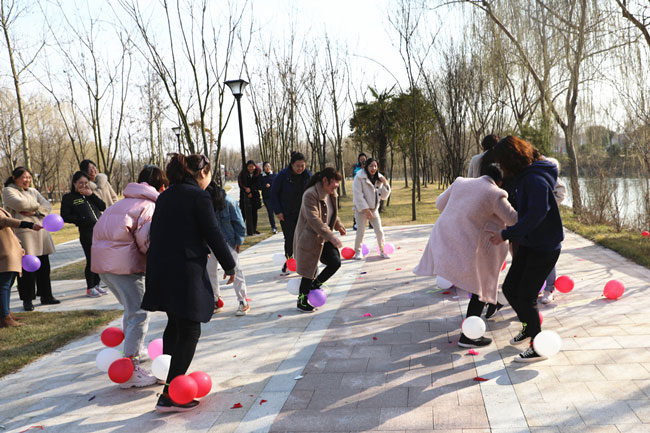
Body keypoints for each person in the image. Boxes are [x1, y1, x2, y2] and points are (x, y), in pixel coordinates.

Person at [141, 153, 236, 413]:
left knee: (175, 323)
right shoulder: (198, 196)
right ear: (202, 173)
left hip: (161, 266)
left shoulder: (166, 195)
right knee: (191, 329)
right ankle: (170, 394)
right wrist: (230, 265)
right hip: (184, 269)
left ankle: (169, 379)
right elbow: (213, 232)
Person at [414, 164, 517, 348]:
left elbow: (439, 204)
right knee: (481, 287)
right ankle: (469, 336)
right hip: (466, 244)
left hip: (443, 237)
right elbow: (513, 220)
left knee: (478, 286)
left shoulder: (461, 182)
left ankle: (478, 321)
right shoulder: (495, 193)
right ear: (500, 181)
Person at [91, 165, 169, 388]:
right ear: (162, 187)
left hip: (105, 266)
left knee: (131, 310)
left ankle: (132, 351)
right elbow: (148, 242)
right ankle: (131, 367)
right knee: (139, 313)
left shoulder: (120, 204)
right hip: (126, 267)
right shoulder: (149, 206)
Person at [489, 136, 564, 362]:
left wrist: (506, 234)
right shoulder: (526, 175)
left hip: (545, 247)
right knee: (510, 289)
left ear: (511, 160)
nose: (501, 167)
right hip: (532, 243)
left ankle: (538, 346)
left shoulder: (534, 179)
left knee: (526, 296)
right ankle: (529, 328)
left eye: (502, 162)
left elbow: (536, 215)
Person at [2, 167, 59, 311]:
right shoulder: (9, 191)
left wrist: (34, 211)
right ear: (15, 178)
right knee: (27, 268)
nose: (27, 180)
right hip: (24, 233)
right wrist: (38, 207)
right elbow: (19, 204)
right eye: (24, 177)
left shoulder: (33, 191)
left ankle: (46, 295)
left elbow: (47, 206)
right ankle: (27, 299)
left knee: (44, 266)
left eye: (29, 177)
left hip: (40, 232)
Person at [294, 167, 346, 313]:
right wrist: (332, 237)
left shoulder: (331, 193)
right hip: (310, 237)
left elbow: (331, 212)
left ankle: (315, 285)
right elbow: (314, 220)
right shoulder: (310, 195)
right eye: (333, 184)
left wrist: (338, 225)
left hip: (325, 235)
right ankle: (302, 301)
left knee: (335, 262)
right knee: (308, 270)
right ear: (325, 181)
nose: (336, 187)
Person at [206, 180, 250, 316]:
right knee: (210, 270)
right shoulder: (201, 203)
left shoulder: (228, 202)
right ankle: (216, 300)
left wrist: (239, 241)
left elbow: (239, 222)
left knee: (235, 269)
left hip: (228, 240)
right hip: (210, 242)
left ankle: (243, 300)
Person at [61, 171, 106, 298]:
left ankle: (96, 284)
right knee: (91, 259)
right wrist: (81, 219)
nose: (84, 185)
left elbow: (102, 206)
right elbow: (65, 216)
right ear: (74, 183)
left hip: (99, 231)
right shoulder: (69, 198)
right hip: (86, 232)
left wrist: (91, 195)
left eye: (86, 183)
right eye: (80, 183)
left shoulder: (90, 195)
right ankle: (90, 287)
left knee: (99, 259)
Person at [270, 151, 312, 274]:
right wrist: (278, 211)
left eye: (302, 166)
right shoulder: (282, 176)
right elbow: (274, 194)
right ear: (292, 164)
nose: (300, 169)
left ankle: (303, 262)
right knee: (290, 239)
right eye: (297, 166)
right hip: (286, 213)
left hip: (303, 213)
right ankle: (289, 262)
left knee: (304, 238)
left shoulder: (308, 175)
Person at [1, 206, 43, 327]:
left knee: (7, 284)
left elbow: (9, 230)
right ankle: (5, 317)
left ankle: (7, 313)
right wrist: (29, 225)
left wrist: (19, 246)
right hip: (3, 251)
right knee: (4, 285)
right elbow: (5, 221)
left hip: (9, 249)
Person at [352, 158, 391, 259]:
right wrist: (365, 210)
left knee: (379, 231)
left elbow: (384, 197)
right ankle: (358, 252)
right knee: (360, 232)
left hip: (374, 209)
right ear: (366, 167)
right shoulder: (359, 177)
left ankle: (383, 251)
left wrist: (385, 183)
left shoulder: (379, 178)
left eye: (375, 166)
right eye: (371, 166)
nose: (373, 168)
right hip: (361, 210)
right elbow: (358, 195)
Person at [540, 157, 567, 304]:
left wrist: (546, 205)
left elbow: (561, 195)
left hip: (550, 225)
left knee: (549, 257)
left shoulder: (556, 181)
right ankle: (538, 286)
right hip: (536, 225)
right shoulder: (537, 179)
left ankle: (549, 288)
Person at [238, 160, 262, 236]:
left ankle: (254, 229)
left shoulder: (258, 173)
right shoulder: (243, 173)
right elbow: (240, 183)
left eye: (252, 167)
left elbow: (258, 183)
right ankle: (241, 229)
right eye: (249, 167)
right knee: (243, 213)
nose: (251, 168)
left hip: (254, 195)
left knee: (254, 213)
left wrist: (251, 190)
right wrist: (246, 190)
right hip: (244, 195)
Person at [258, 161, 277, 234]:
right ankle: (273, 227)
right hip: (266, 197)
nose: (267, 168)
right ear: (263, 168)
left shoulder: (274, 175)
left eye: (268, 166)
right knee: (270, 212)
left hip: (275, 197)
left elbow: (278, 184)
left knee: (278, 211)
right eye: (266, 166)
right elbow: (259, 186)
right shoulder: (261, 176)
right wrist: (265, 186)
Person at [352, 153, 367, 231]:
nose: (362, 161)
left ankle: (371, 223)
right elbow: (355, 176)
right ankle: (356, 223)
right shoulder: (356, 167)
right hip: (358, 189)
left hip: (367, 189)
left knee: (370, 205)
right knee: (357, 206)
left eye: (364, 159)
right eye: (361, 159)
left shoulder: (369, 166)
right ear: (359, 160)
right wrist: (361, 169)